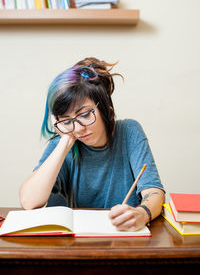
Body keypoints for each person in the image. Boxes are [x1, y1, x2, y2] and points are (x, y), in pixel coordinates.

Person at [19, 57, 165, 232]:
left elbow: (154, 191)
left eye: (85, 114)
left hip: (126, 239)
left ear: (106, 110)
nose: (79, 129)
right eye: (66, 120)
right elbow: (29, 201)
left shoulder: (129, 131)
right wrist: (65, 140)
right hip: (81, 244)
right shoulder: (63, 142)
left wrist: (142, 214)